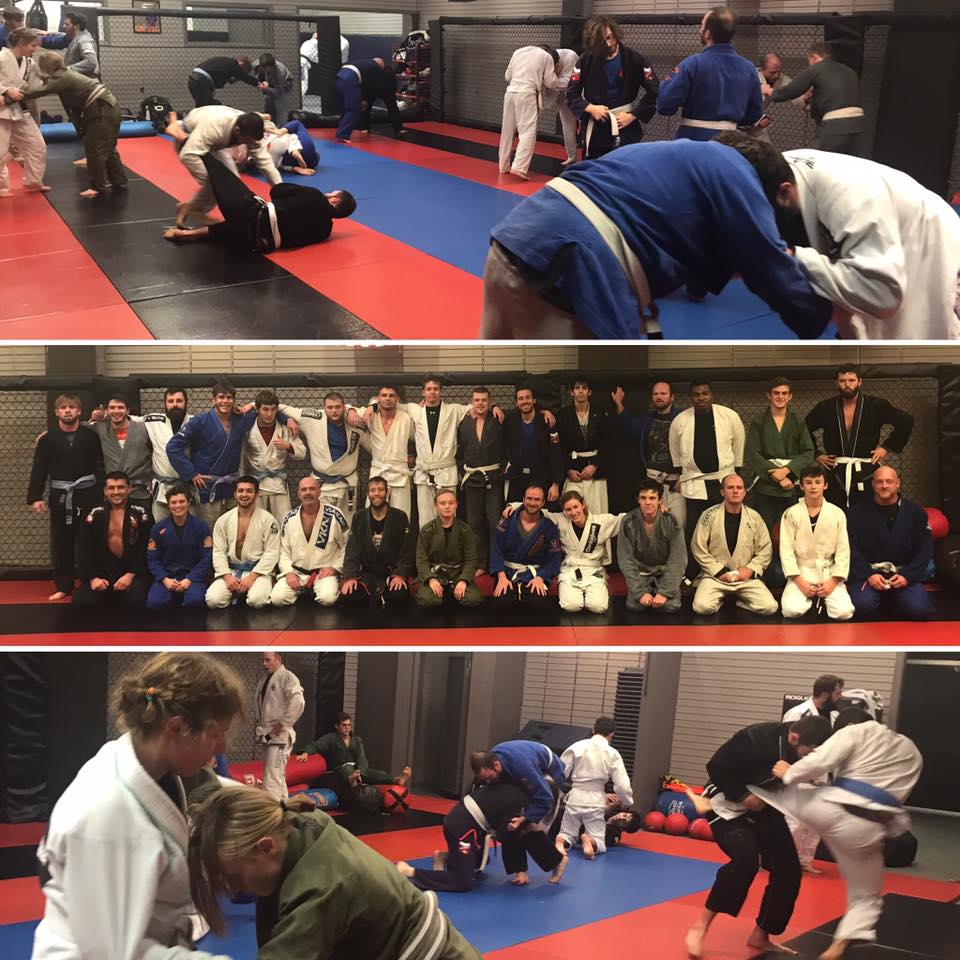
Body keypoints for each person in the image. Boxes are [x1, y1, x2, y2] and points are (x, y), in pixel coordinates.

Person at [483, 139, 834, 340]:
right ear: (777, 190)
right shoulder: (736, 173)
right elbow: (766, 263)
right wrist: (825, 313)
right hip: (568, 269)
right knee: (604, 387)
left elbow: (707, 266)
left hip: (513, 241)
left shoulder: (678, 156)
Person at [31, 652, 243, 960]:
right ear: (176, 728)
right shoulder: (107, 813)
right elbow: (112, 955)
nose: (221, 747)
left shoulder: (147, 766)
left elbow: (213, 785)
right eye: (215, 734)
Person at [187, 787, 481, 960]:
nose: (233, 889)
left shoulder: (321, 888)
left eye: (235, 877)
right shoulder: (294, 821)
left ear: (266, 848)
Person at [716, 132, 960, 341]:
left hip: (923, 241)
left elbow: (882, 295)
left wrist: (790, 256)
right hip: (868, 231)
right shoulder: (766, 172)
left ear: (785, 193)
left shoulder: (853, 196)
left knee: (912, 339)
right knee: (858, 341)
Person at [757, 710, 923, 960]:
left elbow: (820, 761)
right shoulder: (912, 751)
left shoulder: (857, 731)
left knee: (773, 794)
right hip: (869, 828)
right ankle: (842, 941)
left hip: (831, 809)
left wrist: (789, 772)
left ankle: (724, 801)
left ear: (850, 723)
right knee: (866, 896)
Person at [683, 715, 832, 959]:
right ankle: (701, 926)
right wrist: (742, 796)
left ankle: (761, 934)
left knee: (789, 869)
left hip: (765, 805)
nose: (811, 757)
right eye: (810, 752)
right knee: (745, 859)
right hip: (725, 802)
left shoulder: (807, 752)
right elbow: (716, 767)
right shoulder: (754, 740)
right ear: (794, 738)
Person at [163, 154, 357, 251]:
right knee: (234, 228)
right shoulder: (325, 232)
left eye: (333, 193)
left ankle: (192, 145)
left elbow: (276, 190)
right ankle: (188, 233)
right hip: (256, 243)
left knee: (220, 171)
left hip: (249, 213)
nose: (329, 192)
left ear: (335, 199)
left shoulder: (315, 195)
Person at [804, 367, 914, 511]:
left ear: (860, 382)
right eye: (842, 381)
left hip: (866, 470)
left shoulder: (875, 405)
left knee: (868, 512)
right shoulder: (825, 407)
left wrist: (886, 447)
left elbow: (906, 421)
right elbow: (803, 429)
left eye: (852, 380)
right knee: (835, 512)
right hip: (835, 470)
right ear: (836, 383)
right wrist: (816, 454)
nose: (847, 384)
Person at [27, 393, 102, 600]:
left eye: (71, 407)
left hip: (88, 494)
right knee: (62, 541)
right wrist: (36, 496)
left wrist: (103, 492)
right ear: (56, 412)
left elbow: (100, 465)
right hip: (60, 495)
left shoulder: (91, 437)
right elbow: (39, 469)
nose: (67, 410)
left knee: (89, 538)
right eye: (63, 407)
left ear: (79, 411)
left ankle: (90, 580)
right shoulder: (47, 439)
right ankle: (64, 585)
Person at [20, 51, 127, 196]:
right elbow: (71, 108)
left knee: (95, 148)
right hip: (106, 107)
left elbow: (40, 91)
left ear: (46, 68)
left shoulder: (61, 78)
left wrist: (10, 96)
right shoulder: (65, 74)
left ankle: (98, 186)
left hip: (101, 108)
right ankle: (119, 181)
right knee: (107, 146)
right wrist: (82, 129)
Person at [396, 780, 533, 892]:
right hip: (463, 827)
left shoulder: (509, 787)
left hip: (470, 822)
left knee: (481, 860)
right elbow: (504, 835)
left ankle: (446, 857)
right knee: (462, 881)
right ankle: (409, 871)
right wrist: (518, 830)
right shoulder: (517, 797)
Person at [505, 491, 622, 614]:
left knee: (598, 607)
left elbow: (624, 519)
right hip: (570, 570)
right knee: (570, 606)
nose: (573, 512)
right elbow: (539, 511)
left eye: (576, 507)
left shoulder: (601, 521)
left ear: (583, 505)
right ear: (564, 511)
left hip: (593, 571)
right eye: (568, 509)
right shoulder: (561, 520)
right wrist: (514, 506)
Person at [657, 6, 763, 142]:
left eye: (702, 25)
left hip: (693, 139)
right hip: (730, 141)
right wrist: (728, 121)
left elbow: (664, 104)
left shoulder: (693, 64)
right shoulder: (748, 68)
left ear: (707, 33)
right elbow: (755, 113)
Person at [669, 381, 745, 566]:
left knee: (723, 526)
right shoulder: (680, 420)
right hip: (694, 482)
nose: (701, 398)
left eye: (705, 393)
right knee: (695, 528)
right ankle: (695, 570)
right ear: (691, 398)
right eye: (696, 394)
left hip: (723, 479)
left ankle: (725, 566)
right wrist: (681, 473)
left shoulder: (729, 416)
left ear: (712, 395)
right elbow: (676, 452)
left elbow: (739, 446)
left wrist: (735, 473)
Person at [167, 106, 281, 228]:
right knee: (219, 182)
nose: (250, 144)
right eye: (247, 141)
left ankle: (191, 208)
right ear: (237, 131)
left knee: (233, 183)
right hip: (188, 137)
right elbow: (187, 155)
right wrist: (211, 182)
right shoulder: (215, 127)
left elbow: (266, 164)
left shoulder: (250, 129)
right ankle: (196, 209)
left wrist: (282, 191)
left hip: (215, 143)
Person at [471, 741, 567, 885]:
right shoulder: (493, 763)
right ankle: (520, 871)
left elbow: (545, 798)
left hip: (549, 777)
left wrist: (525, 818)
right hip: (521, 771)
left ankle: (558, 861)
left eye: (490, 778)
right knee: (508, 820)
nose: (489, 782)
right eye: (485, 780)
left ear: (496, 765)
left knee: (526, 826)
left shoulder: (522, 766)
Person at [166, 381, 259, 527]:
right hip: (208, 489)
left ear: (234, 401)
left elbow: (266, 410)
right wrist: (191, 474)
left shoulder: (241, 420)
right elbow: (173, 447)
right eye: (221, 397)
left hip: (231, 488)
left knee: (233, 530)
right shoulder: (199, 421)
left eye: (229, 398)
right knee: (211, 531)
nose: (225, 401)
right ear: (213, 400)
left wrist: (252, 405)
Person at [847, 466, 935, 621]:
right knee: (862, 606)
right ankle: (883, 600)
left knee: (918, 609)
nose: (884, 486)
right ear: (873, 484)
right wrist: (869, 574)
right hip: (870, 574)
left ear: (897, 483)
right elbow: (850, 549)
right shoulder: (856, 513)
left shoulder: (916, 512)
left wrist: (907, 575)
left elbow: (924, 549)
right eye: (879, 482)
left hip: (902, 574)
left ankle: (895, 600)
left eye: (889, 481)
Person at [566, 16, 659, 160]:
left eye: (610, 37)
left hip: (624, 124)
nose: (608, 43)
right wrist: (590, 107)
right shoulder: (585, 60)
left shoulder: (634, 59)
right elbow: (572, 94)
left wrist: (634, 115)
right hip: (596, 127)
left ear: (616, 34)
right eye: (602, 41)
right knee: (595, 168)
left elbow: (655, 92)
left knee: (623, 166)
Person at [780, 673, 846, 874]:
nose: (841, 696)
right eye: (838, 692)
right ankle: (783, 861)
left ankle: (804, 860)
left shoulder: (834, 716)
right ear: (825, 694)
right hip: (800, 774)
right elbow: (788, 744)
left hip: (823, 775)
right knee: (795, 823)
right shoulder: (798, 713)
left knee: (815, 824)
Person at [691, 474, 779, 617]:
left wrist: (750, 569)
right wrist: (718, 571)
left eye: (739, 488)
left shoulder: (754, 517)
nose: (735, 491)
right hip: (716, 577)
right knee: (701, 607)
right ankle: (720, 601)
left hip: (745, 578)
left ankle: (740, 603)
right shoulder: (708, 515)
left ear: (744, 492)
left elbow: (765, 549)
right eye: (730, 487)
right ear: (722, 492)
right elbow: (698, 548)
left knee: (770, 607)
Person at [294, 712, 412, 812]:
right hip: (339, 771)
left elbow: (362, 758)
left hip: (356, 769)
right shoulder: (331, 738)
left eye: (349, 725)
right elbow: (316, 745)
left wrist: (361, 771)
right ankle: (352, 779)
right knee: (347, 768)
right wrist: (306, 752)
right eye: (344, 725)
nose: (347, 728)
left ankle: (396, 779)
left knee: (374, 772)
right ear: (337, 726)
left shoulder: (357, 740)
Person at [780, 465, 855, 622]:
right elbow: (786, 550)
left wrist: (833, 582)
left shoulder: (837, 513)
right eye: (808, 482)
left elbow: (843, 550)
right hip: (802, 570)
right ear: (801, 486)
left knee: (844, 612)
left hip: (829, 571)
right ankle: (813, 601)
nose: (813, 487)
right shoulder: (791, 513)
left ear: (825, 485)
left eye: (818, 482)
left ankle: (822, 600)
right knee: (791, 610)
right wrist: (799, 581)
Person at [744, 377, 815, 535]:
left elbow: (808, 452)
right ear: (769, 395)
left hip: (792, 483)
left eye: (784, 393)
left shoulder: (797, 421)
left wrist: (787, 470)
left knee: (795, 530)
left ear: (790, 396)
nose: (780, 397)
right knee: (763, 530)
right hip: (766, 484)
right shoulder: (759, 422)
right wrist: (777, 475)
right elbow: (752, 453)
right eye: (776, 393)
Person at [279, 392, 364, 522]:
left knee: (346, 522)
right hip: (322, 483)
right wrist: (287, 419)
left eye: (338, 407)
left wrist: (351, 410)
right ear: (324, 408)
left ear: (343, 407)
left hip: (347, 482)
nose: (334, 410)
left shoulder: (354, 419)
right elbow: (281, 408)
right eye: (330, 407)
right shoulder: (313, 418)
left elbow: (374, 408)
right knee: (321, 522)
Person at [72, 471, 152, 609]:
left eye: (120, 487)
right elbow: (83, 548)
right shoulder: (93, 514)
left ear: (129, 489)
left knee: (136, 600)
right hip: (103, 572)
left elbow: (145, 547)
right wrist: (93, 578)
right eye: (111, 488)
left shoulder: (141, 513)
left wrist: (131, 574)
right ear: (105, 491)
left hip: (132, 571)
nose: (116, 492)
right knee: (81, 602)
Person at [556, 717, 633, 859]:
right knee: (598, 838)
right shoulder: (612, 753)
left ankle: (561, 842)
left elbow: (559, 772)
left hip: (575, 796)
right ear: (612, 734)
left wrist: (558, 794)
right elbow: (622, 785)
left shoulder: (577, 746)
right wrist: (627, 801)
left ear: (593, 730)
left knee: (567, 832)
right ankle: (590, 840)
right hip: (595, 799)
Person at [769, 42, 863, 155]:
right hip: (858, 124)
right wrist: (812, 104)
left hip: (835, 125)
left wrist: (770, 91)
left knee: (820, 159)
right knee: (848, 161)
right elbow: (836, 97)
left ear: (813, 57)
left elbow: (788, 92)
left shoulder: (816, 69)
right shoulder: (849, 71)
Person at [612, 382, 684, 527]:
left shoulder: (682, 418)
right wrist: (619, 403)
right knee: (652, 526)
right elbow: (631, 426)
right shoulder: (648, 418)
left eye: (663, 394)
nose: (659, 397)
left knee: (677, 526)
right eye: (655, 394)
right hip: (652, 481)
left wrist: (685, 476)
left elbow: (691, 449)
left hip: (675, 482)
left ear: (672, 397)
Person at [270, 476, 349, 608]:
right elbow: (284, 550)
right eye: (304, 489)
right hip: (297, 573)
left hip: (324, 573)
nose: (308, 493)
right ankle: (306, 591)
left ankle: (313, 590)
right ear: (299, 494)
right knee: (277, 599)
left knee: (328, 598)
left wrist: (335, 568)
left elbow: (348, 545)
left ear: (319, 491)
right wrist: (288, 573)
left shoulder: (335, 515)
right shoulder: (289, 518)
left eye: (312, 489)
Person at [205, 475, 280, 610]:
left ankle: (262, 587)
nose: (244, 494)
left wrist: (252, 577)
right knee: (213, 600)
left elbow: (272, 552)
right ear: (235, 494)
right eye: (240, 491)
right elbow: (218, 551)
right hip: (231, 571)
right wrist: (226, 576)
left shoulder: (268, 520)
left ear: (256, 494)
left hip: (258, 572)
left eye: (249, 491)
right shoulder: (223, 520)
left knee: (257, 600)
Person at [340, 476, 415, 608]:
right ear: (368, 493)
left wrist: (400, 574)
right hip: (367, 574)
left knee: (399, 596)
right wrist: (350, 576)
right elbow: (352, 550)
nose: (376, 494)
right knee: (349, 596)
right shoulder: (359, 517)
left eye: (380, 490)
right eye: (372, 490)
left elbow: (406, 550)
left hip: (391, 573)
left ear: (387, 492)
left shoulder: (400, 516)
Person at [557, 377, 613, 552]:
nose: (580, 391)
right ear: (571, 392)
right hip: (574, 469)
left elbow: (609, 444)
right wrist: (568, 469)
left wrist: (595, 466)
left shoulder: (601, 413)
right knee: (571, 511)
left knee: (597, 513)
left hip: (596, 470)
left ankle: (600, 555)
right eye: (577, 388)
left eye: (584, 388)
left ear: (589, 392)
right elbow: (560, 446)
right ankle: (573, 551)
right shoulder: (563, 414)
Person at [618, 479, 687, 613]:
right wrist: (640, 593)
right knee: (634, 606)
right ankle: (646, 592)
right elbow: (625, 560)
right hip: (641, 572)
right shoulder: (628, 522)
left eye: (652, 498)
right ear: (637, 500)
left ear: (659, 500)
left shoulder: (672, 521)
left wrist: (665, 592)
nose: (647, 502)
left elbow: (678, 560)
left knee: (671, 606)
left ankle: (660, 591)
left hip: (664, 572)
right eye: (643, 498)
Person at [498, 45, 565, 180]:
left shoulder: (518, 51)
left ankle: (503, 166)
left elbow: (507, 76)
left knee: (507, 131)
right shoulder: (546, 57)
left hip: (510, 92)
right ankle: (519, 167)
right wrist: (555, 78)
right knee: (527, 131)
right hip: (527, 93)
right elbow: (551, 82)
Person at [490, 484, 563, 609]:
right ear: (523, 499)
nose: (532, 503)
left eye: (537, 500)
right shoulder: (507, 520)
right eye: (529, 498)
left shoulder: (549, 527)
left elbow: (554, 558)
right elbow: (496, 549)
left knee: (538, 604)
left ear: (543, 503)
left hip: (534, 574)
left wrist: (541, 577)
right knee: (501, 603)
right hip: (508, 573)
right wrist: (501, 576)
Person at [458, 386, 504, 572]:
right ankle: (480, 563)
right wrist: (462, 469)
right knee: (474, 522)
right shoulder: (465, 422)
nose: (480, 403)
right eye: (477, 400)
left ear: (489, 401)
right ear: (472, 401)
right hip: (472, 478)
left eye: (484, 400)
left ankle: (496, 563)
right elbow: (459, 448)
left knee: (494, 521)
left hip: (494, 478)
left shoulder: (498, 419)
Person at [145, 484, 213, 610]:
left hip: (193, 577)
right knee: (155, 602)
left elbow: (206, 558)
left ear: (188, 503)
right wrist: (164, 579)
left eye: (182, 501)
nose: (178, 506)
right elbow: (153, 559)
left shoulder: (201, 527)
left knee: (196, 601)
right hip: (167, 576)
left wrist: (190, 579)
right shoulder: (158, 528)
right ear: (168, 505)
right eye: (173, 502)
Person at [242, 390, 306, 522]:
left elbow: (302, 453)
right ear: (257, 410)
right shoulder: (248, 428)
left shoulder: (285, 428)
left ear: (277, 410)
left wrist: (288, 446)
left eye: (273, 409)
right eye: (265, 409)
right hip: (256, 482)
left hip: (278, 483)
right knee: (256, 521)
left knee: (284, 520)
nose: (269, 414)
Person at [0, 28, 48, 199]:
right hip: (1, 109)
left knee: (37, 145)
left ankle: (33, 181)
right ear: (21, 43)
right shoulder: (1, 57)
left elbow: (34, 86)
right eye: (33, 45)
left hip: (19, 109)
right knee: (1, 151)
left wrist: (52, 83)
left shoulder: (30, 63)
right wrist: (6, 90)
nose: (35, 49)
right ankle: (1, 186)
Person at [414, 490, 483, 608]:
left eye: (451, 503)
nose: (447, 506)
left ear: (456, 505)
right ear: (436, 506)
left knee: (473, 599)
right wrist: (430, 579)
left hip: (458, 573)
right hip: (436, 573)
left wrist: (464, 580)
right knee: (426, 600)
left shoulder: (465, 530)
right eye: (442, 503)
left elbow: (471, 559)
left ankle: (455, 590)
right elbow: (421, 559)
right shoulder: (427, 530)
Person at [86, 394, 153, 514]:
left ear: (128, 410)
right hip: (114, 492)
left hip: (140, 491)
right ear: (106, 410)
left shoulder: (144, 428)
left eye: (120, 407)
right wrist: (95, 418)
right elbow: (78, 426)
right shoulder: (101, 427)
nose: (116, 411)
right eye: (112, 408)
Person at [254, 651, 305, 800]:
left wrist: (284, 722)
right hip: (268, 735)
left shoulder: (287, 677)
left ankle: (272, 812)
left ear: (278, 659)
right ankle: (284, 809)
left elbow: (298, 701)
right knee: (277, 776)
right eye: (262, 660)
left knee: (271, 779)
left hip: (279, 737)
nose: (264, 663)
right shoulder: (265, 679)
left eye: (268, 660)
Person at [137, 388, 193, 522]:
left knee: (189, 526)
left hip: (188, 487)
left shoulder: (195, 422)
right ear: (165, 404)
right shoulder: (154, 421)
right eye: (170, 401)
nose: (175, 404)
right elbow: (128, 419)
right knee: (161, 526)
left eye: (179, 401)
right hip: (163, 487)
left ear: (186, 403)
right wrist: (104, 416)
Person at [502, 383, 563, 506]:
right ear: (516, 403)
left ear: (534, 400)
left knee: (543, 513)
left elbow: (556, 453)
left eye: (528, 397)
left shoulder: (547, 421)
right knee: (514, 512)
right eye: (521, 398)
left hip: (542, 478)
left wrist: (556, 484)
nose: (524, 401)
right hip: (517, 478)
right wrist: (494, 407)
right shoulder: (510, 421)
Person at [361, 384, 414, 521]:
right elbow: (346, 409)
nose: (387, 398)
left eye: (391, 395)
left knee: (401, 517)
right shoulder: (370, 415)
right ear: (378, 398)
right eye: (384, 395)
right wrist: (352, 411)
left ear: (398, 399)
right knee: (373, 517)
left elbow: (419, 438)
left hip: (400, 474)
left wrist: (413, 454)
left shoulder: (406, 418)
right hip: (378, 472)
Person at [335, 57, 404, 143]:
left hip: (339, 77)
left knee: (347, 108)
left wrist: (364, 99)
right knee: (354, 109)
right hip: (353, 81)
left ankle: (346, 131)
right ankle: (343, 134)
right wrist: (363, 99)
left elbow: (366, 84)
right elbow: (369, 84)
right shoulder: (376, 68)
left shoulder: (363, 63)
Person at [747, 52, 804, 143]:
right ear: (762, 69)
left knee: (766, 148)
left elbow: (793, 91)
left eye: (779, 71)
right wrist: (757, 119)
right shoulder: (750, 78)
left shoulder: (780, 79)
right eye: (772, 72)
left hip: (758, 126)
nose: (776, 75)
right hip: (739, 123)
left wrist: (805, 98)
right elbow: (741, 105)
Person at [188, 54, 265, 108]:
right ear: (241, 64)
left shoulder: (224, 63)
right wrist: (258, 83)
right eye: (243, 70)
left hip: (193, 79)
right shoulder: (233, 63)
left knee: (202, 106)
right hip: (202, 81)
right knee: (206, 108)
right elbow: (244, 77)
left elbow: (220, 84)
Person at [40, 10, 98, 77]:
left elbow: (91, 62)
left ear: (76, 26)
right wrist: (49, 33)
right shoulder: (76, 36)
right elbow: (65, 35)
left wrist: (67, 69)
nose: (63, 26)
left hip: (84, 81)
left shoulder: (84, 40)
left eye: (67, 24)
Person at [547, 47, 579, 166]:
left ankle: (590, 158)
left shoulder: (569, 56)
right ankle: (571, 156)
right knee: (567, 125)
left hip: (580, 95)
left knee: (586, 125)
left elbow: (567, 82)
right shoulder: (545, 62)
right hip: (563, 97)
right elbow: (551, 86)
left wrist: (550, 82)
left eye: (555, 67)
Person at [300, 30, 349, 107]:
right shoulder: (315, 43)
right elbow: (316, 57)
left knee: (303, 84)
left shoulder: (308, 43)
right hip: (303, 63)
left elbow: (316, 57)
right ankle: (298, 102)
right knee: (303, 85)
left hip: (303, 62)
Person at [256, 52, 293, 124]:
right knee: (268, 104)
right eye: (263, 68)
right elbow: (259, 79)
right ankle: (270, 125)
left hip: (284, 86)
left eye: (266, 68)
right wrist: (263, 83)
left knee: (280, 108)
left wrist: (266, 88)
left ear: (272, 65)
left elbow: (278, 93)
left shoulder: (281, 72)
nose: (264, 69)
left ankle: (282, 127)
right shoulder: (259, 66)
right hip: (271, 84)